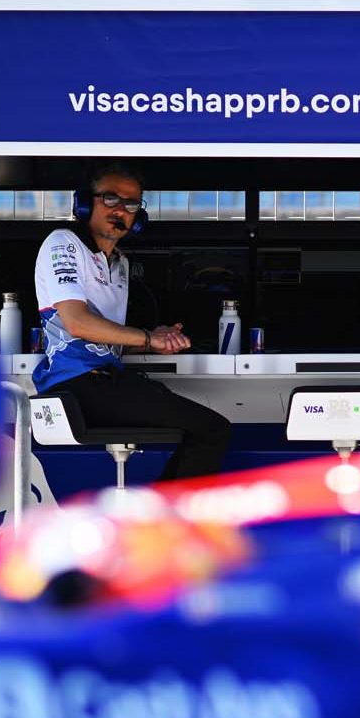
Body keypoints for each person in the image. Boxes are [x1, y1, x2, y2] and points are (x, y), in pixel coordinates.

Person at [33, 163, 231, 481]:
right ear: (84, 203)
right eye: (110, 198)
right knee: (212, 429)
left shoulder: (120, 263)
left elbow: (109, 334)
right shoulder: (63, 243)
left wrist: (154, 334)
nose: (120, 210)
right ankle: (164, 523)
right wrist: (148, 339)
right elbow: (77, 323)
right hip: (76, 387)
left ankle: (160, 519)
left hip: (106, 383)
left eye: (131, 204)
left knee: (203, 426)